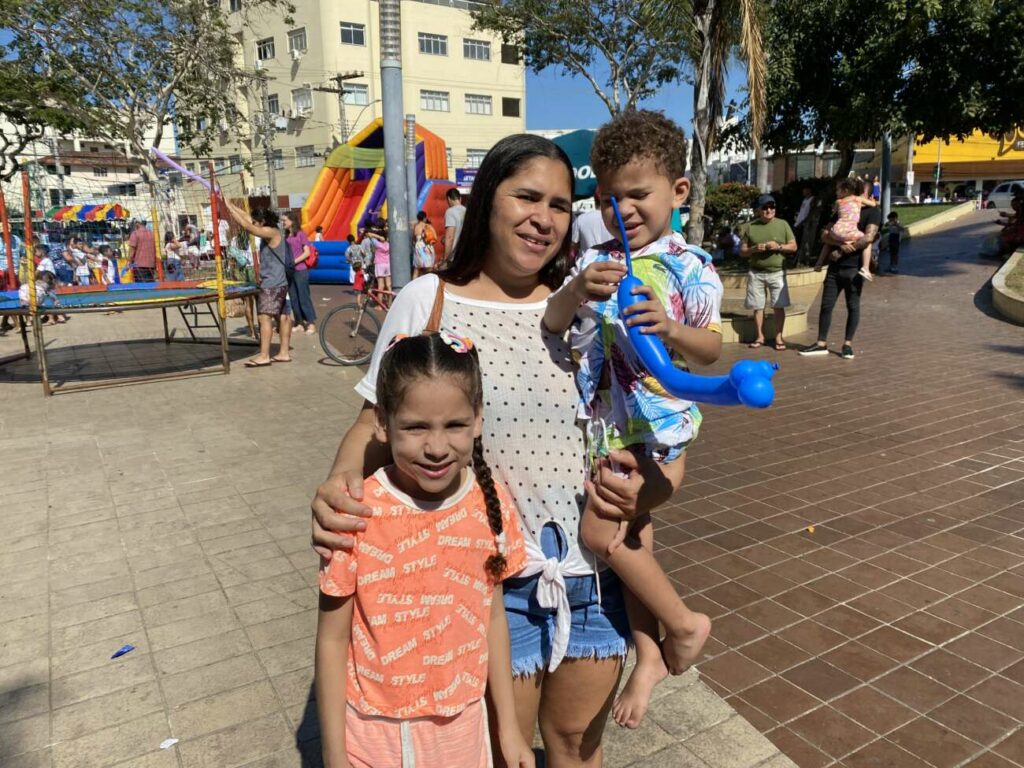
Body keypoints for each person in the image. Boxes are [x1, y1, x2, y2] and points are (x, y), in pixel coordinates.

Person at [311, 134, 684, 767]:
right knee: (495, 751)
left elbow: (654, 427)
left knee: (575, 747)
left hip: (591, 579)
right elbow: (371, 426)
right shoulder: (426, 303)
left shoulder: (592, 306)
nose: (543, 218)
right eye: (527, 196)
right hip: (483, 586)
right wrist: (337, 488)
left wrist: (649, 489)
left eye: (561, 205)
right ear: (488, 201)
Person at [543, 110, 717, 730]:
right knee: (632, 542)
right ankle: (648, 656)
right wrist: (576, 289)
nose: (623, 210)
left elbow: (712, 349)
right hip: (608, 428)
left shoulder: (688, 266)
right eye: (608, 198)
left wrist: (670, 329)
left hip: (658, 428)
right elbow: (556, 326)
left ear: (678, 190)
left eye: (638, 194)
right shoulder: (597, 260)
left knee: (600, 535)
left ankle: (682, 624)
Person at [316, 332, 533, 768]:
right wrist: (333, 754)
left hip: (463, 731)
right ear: (381, 422)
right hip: (370, 733)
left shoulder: (491, 505)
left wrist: (507, 728)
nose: (436, 447)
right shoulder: (355, 512)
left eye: (454, 425)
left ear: (477, 419)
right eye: (415, 426)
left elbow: (492, 619)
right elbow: (332, 639)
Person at [799, 180, 882, 360]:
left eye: (863, 194)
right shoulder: (844, 207)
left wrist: (844, 248)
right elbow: (825, 235)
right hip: (835, 267)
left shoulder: (872, 212)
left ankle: (847, 344)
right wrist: (839, 244)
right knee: (826, 305)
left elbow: (869, 237)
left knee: (853, 306)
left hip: (854, 268)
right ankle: (821, 343)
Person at [219, 200, 293, 366]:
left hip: (272, 283)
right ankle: (283, 353)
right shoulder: (274, 230)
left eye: (256, 222)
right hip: (280, 282)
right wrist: (229, 205)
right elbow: (248, 218)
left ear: (263, 222)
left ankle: (264, 355)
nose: (253, 223)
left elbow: (248, 226)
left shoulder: (270, 232)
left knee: (263, 318)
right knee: (283, 316)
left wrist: (230, 209)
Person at [740, 194, 796, 351]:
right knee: (758, 306)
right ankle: (760, 336)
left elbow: (793, 246)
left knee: (779, 306)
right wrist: (753, 249)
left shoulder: (783, 224)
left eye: (772, 207)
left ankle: (779, 337)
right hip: (756, 272)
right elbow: (742, 251)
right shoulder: (751, 227)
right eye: (765, 207)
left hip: (777, 272)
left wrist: (778, 246)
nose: (769, 210)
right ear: (758, 210)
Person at [814, 178, 877, 281]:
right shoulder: (858, 200)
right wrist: (872, 201)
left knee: (828, 242)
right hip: (850, 231)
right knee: (867, 240)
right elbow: (873, 204)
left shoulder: (838, 201)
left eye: (838, 190)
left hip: (836, 230)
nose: (836, 192)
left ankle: (819, 263)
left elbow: (835, 210)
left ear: (845, 191)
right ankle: (865, 268)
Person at [282, 212, 317, 335]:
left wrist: (294, 261)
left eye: (284, 220)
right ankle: (299, 322)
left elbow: (307, 252)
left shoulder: (300, 234)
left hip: (300, 270)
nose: (283, 222)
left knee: (303, 297)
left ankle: (311, 323)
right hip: (289, 271)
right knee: (293, 298)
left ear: (291, 221)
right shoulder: (285, 236)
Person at [412, 210, 438, 279]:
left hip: (418, 247)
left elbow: (414, 239)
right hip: (426, 247)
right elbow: (435, 237)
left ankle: (413, 285)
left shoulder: (416, 227)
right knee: (429, 269)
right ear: (424, 218)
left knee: (417, 269)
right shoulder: (428, 226)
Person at [444, 187, 466, 257]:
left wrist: (446, 258)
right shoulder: (467, 211)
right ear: (460, 198)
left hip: (456, 255)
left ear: (449, 199)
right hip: (468, 254)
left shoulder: (450, 212)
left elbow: (450, 237)